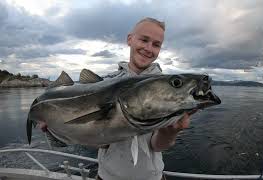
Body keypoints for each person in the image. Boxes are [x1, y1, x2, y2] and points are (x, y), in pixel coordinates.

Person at [39, 17, 194, 180]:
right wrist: (59, 126)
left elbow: (157, 146)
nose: (149, 48)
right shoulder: (104, 84)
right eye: (144, 40)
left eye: (156, 44)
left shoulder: (169, 90)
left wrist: (171, 131)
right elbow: (101, 142)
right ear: (130, 39)